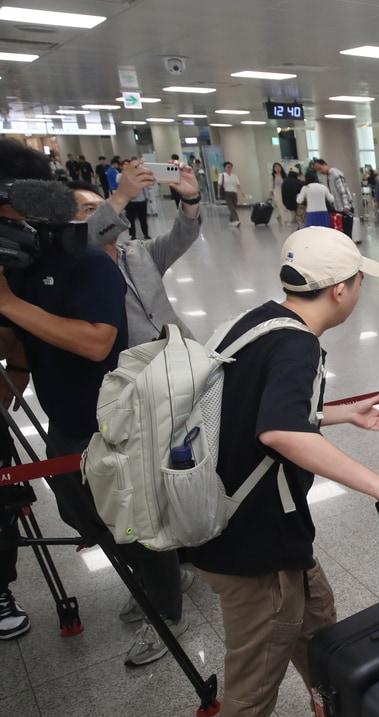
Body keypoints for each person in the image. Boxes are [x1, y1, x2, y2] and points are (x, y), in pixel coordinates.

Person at [193, 227, 379, 717]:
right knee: (255, 668)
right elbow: (279, 432)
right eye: (358, 282)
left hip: (266, 529)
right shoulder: (299, 344)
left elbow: (266, 412)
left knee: (320, 628)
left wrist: (338, 413)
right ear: (341, 290)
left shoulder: (258, 321)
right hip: (253, 542)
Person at [0, 142, 186, 663]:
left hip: (113, 416)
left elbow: (96, 341)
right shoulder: (20, 267)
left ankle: (166, 608)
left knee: (134, 516)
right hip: (63, 416)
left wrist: (10, 305)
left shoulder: (91, 263)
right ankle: (154, 573)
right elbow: (19, 345)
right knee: (80, 513)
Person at [72, 163, 201, 350]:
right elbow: (88, 237)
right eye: (90, 210)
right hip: (135, 369)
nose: (108, 214)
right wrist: (122, 195)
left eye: (104, 207)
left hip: (184, 351)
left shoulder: (140, 251)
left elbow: (183, 236)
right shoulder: (74, 267)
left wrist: (190, 199)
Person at [312, 158, 356, 240]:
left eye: (320, 168)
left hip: (344, 209)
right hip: (338, 208)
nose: (320, 172)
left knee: (346, 235)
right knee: (341, 234)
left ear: (325, 165)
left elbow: (343, 191)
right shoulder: (329, 176)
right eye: (318, 170)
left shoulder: (335, 174)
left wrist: (346, 206)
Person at [220, 161, 242, 228]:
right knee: (231, 208)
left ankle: (231, 220)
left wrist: (241, 192)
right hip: (227, 193)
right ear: (225, 168)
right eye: (227, 167)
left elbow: (238, 185)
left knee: (234, 207)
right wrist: (218, 194)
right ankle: (236, 221)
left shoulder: (234, 176)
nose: (229, 168)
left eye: (230, 167)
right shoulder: (222, 175)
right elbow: (219, 185)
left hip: (234, 193)